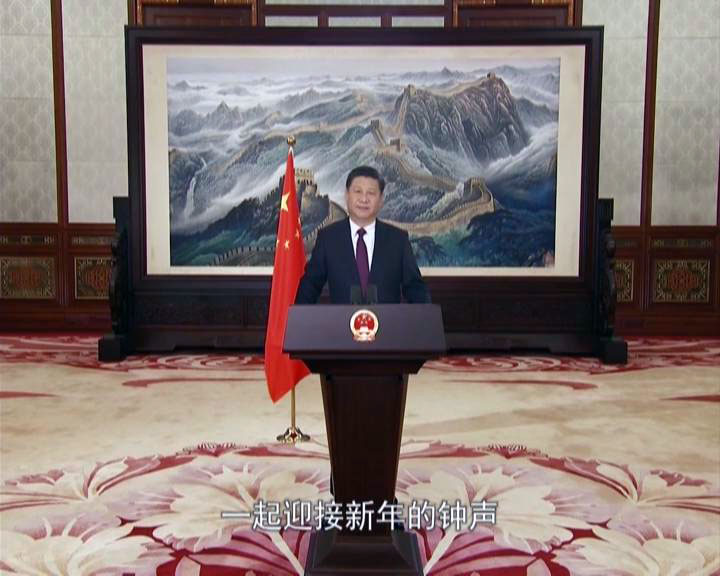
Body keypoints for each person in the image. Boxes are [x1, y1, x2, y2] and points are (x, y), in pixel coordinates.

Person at [295, 166, 429, 304]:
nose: (364, 199)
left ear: (381, 200)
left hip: (387, 318)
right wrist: (299, 315)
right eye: (358, 191)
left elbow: (415, 288)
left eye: (371, 193)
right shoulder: (328, 238)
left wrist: (425, 315)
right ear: (347, 195)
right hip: (342, 318)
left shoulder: (398, 240)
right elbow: (310, 286)